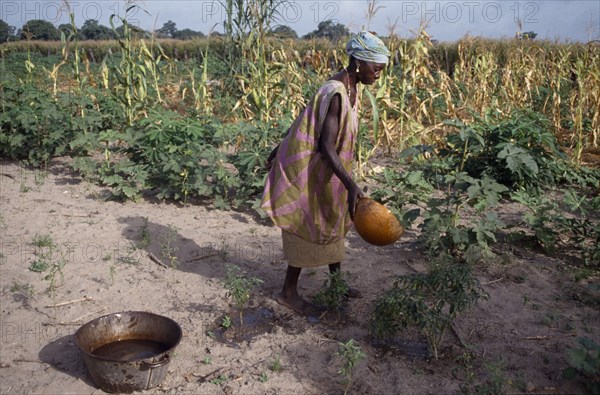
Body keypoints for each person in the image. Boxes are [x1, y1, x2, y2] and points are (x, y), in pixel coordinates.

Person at [261, 31, 391, 316]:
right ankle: (288, 292)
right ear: (358, 62)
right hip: (310, 167)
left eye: (381, 68)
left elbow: (303, 115)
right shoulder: (336, 93)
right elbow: (325, 146)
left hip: (329, 171)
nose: (378, 74)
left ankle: (336, 284)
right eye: (376, 67)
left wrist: (346, 184)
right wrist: (352, 184)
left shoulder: (351, 87)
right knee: (306, 222)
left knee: (334, 219)